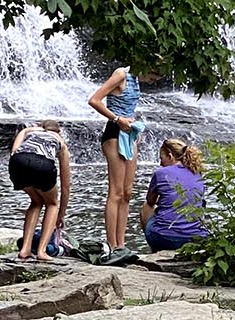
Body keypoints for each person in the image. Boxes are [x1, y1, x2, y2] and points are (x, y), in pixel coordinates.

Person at [88, 66, 144, 253]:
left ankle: (122, 244)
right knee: (116, 192)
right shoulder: (121, 74)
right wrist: (117, 118)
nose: (153, 80)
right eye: (154, 76)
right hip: (114, 134)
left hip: (130, 134)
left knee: (127, 193)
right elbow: (94, 100)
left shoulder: (135, 78)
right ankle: (112, 245)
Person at [8, 120, 72, 261]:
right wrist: (61, 214)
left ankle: (25, 249)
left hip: (17, 163)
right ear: (58, 132)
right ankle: (42, 251)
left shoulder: (29, 133)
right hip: (42, 164)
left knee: (36, 202)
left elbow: (14, 152)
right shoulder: (60, 142)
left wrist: (31, 129)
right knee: (52, 204)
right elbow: (66, 186)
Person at [139, 138, 210, 252]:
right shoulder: (197, 173)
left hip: (164, 238)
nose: (160, 163)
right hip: (197, 239)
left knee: (146, 206)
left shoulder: (160, 173)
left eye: (161, 158)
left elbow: (150, 201)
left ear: (170, 156)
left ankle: (156, 251)